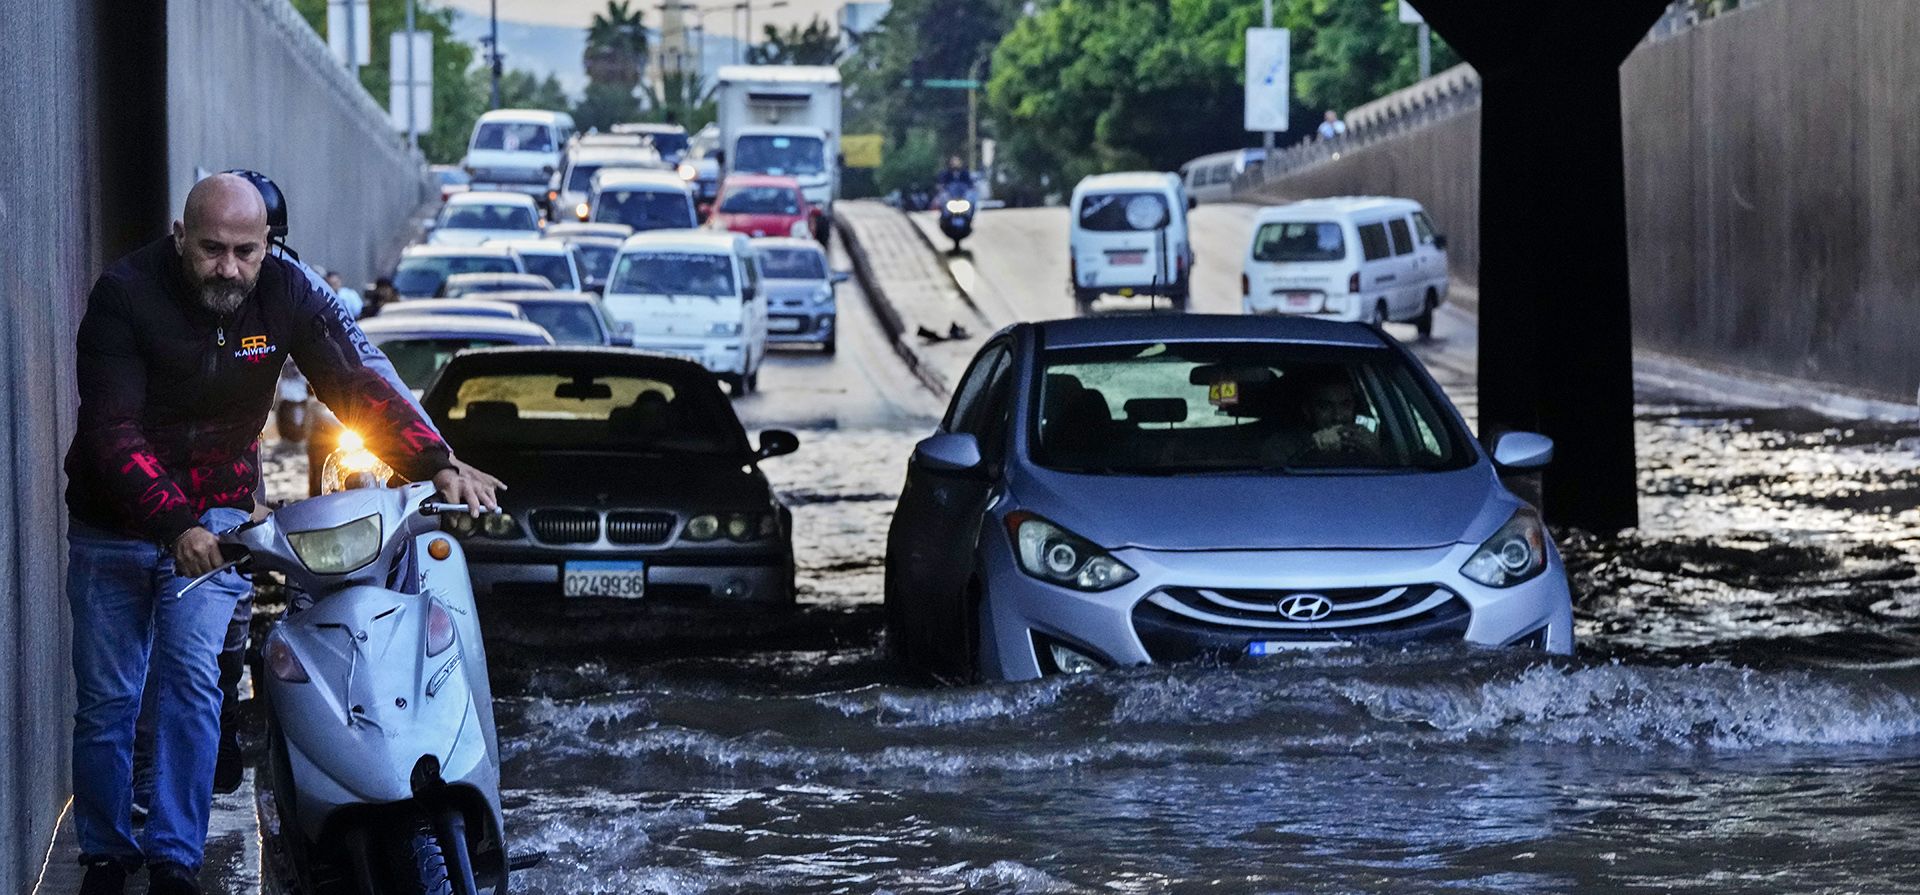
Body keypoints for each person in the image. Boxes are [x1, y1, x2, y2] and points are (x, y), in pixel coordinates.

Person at [64, 174, 502, 895]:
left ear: (268, 245)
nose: (228, 267)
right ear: (181, 237)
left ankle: (174, 858)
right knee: (109, 701)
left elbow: (355, 376)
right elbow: (112, 431)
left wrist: (435, 460)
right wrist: (176, 522)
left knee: (193, 684)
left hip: (222, 520)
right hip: (115, 523)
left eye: (245, 250)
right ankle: (108, 854)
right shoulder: (125, 294)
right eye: (210, 249)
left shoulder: (288, 292)